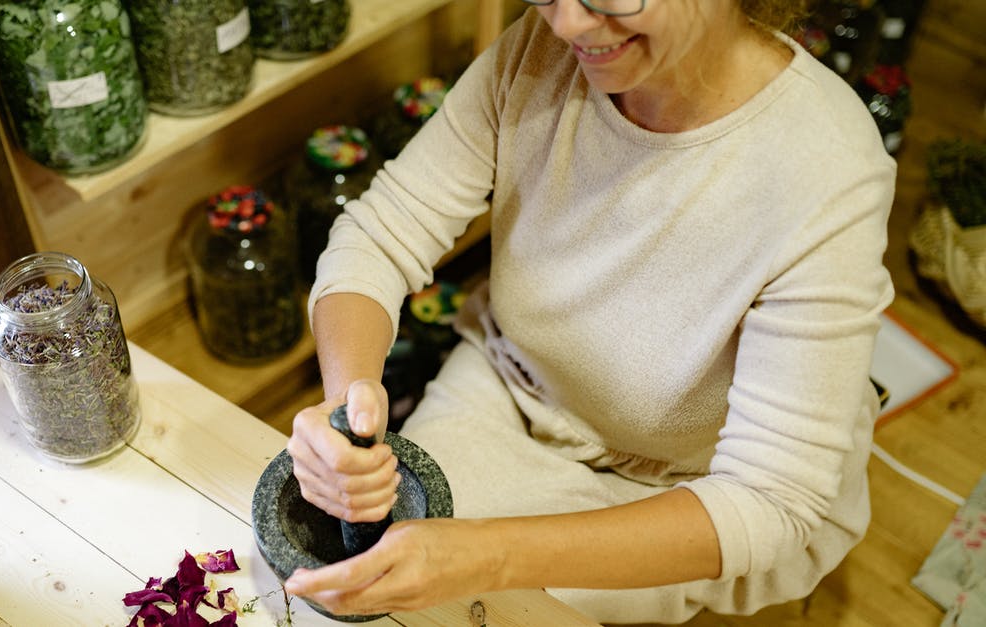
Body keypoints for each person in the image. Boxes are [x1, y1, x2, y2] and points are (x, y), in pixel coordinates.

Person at [282, 0, 896, 623]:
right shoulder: (539, 50)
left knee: (476, 604)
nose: (568, 24)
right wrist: (347, 402)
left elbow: (768, 500)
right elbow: (383, 234)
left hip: (686, 486)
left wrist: (488, 556)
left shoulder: (827, 168)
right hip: (514, 388)